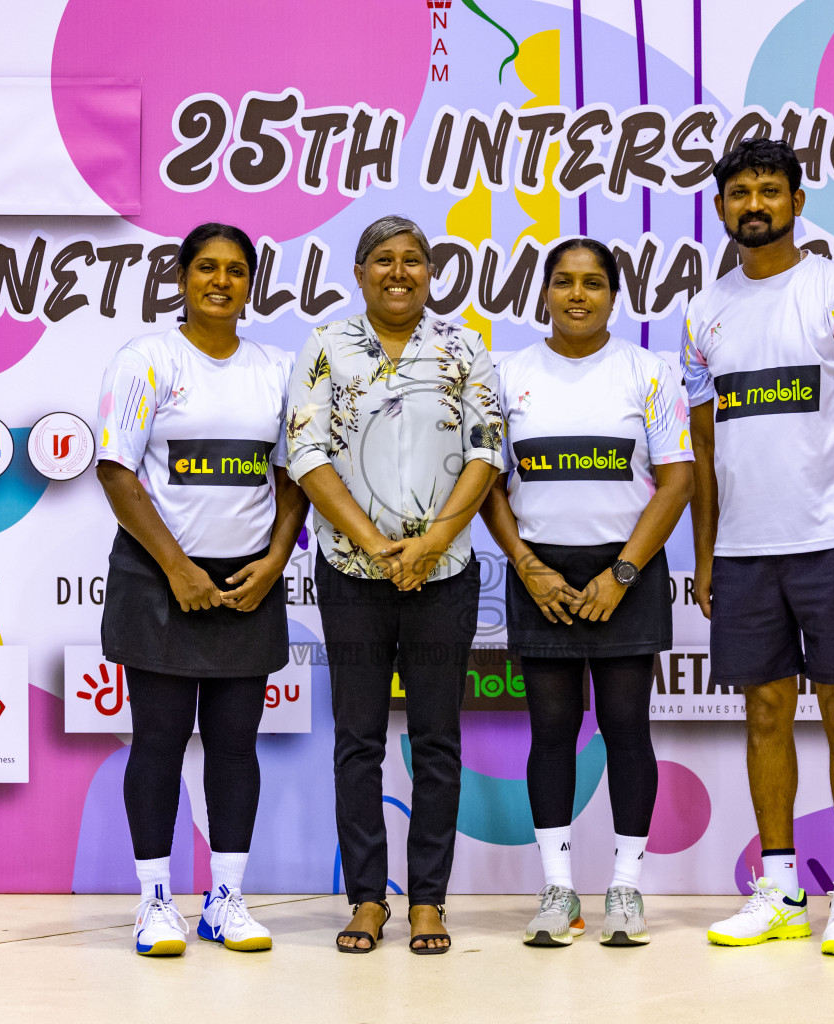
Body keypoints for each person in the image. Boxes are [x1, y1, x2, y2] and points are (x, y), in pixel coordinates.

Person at [682, 138, 834, 956]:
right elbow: (703, 446)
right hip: (742, 553)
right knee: (765, 712)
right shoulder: (705, 312)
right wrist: (704, 557)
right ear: (722, 208)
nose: (753, 205)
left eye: (768, 190)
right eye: (739, 193)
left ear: (797, 201)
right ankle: (778, 889)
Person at [285, 215, 505, 954]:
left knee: (438, 738)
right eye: (385, 260)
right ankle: (369, 899)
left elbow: (488, 448)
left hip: (443, 575)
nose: (400, 271)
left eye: (414, 260)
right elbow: (305, 450)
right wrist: (379, 546)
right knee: (358, 740)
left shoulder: (465, 345)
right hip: (353, 573)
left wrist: (434, 539)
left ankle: (430, 901)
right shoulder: (325, 346)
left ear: (431, 273)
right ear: (361, 271)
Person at [95, 223, 307, 957]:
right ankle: (155, 903)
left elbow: (292, 478)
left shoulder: (278, 369)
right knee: (156, 742)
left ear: (254, 282)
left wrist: (275, 560)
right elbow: (118, 474)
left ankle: (227, 901)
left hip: (246, 580)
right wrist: (179, 569)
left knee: (234, 746)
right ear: (182, 276)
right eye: (207, 268)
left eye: (238, 270)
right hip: (160, 579)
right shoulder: (146, 359)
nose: (222, 281)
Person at [482, 238, 695, 948]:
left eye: (594, 283)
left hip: (625, 572)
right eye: (566, 282)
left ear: (614, 294)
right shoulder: (504, 375)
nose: (579, 295)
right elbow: (486, 484)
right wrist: (526, 566)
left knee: (627, 728)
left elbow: (678, 482)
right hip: (539, 575)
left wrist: (624, 574)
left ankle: (627, 888)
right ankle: (558, 890)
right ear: (543, 291)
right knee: (551, 732)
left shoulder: (648, 372)